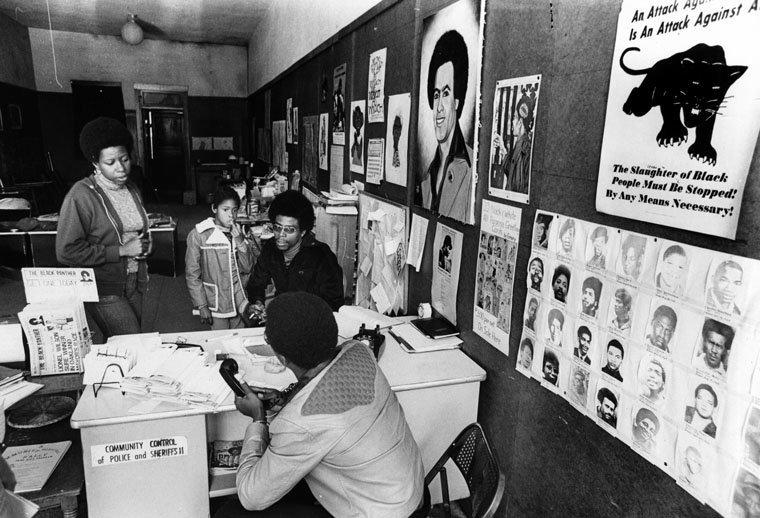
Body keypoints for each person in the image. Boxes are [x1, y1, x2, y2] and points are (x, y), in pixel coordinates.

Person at [215, 292, 425, 517]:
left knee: (230, 512)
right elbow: (328, 390)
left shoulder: (299, 424)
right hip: (408, 490)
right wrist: (283, 399)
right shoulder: (359, 351)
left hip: (380, 511)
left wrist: (258, 419)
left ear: (283, 359)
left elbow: (250, 497)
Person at [57, 117, 152, 341]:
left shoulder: (132, 188)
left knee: (125, 344)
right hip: (102, 287)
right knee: (130, 341)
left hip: (133, 280)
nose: (121, 167)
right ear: (96, 163)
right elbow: (66, 251)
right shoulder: (81, 195)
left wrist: (143, 245)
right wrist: (120, 250)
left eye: (125, 159)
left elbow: (134, 228)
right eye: (111, 162)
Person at [246, 191, 344, 318]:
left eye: (289, 230)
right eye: (277, 227)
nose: (281, 235)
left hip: (312, 321)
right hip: (283, 316)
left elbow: (333, 303)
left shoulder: (321, 256)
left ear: (302, 232)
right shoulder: (271, 248)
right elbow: (256, 284)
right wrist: (258, 303)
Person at [416, 30, 472, 221]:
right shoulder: (427, 175)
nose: (438, 107)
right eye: (436, 94)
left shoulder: (471, 169)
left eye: (446, 94)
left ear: (457, 101)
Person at [186, 186, 256, 330]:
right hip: (215, 301)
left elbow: (248, 267)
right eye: (225, 210)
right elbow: (192, 274)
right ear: (214, 209)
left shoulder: (237, 233)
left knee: (239, 340)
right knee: (221, 341)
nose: (231, 215)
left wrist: (240, 241)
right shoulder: (199, 234)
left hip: (238, 298)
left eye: (235, 210)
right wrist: (201, 305)